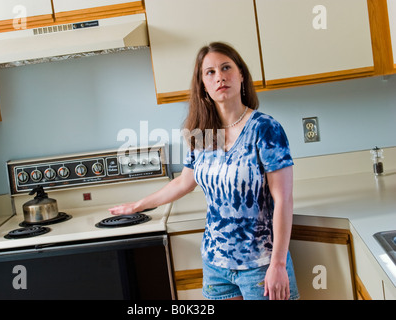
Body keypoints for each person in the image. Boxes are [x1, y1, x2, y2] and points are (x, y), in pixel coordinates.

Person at [109, 42, 299, 300]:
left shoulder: (265, 129)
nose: (219, 76)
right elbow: (184, 182)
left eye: (226, 68)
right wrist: (138, 205)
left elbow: (283, 199)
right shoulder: (202, 134)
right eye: (210, 72)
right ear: (203, 85)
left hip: (261, 264)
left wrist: (277, 264)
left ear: (241, 74)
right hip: (216, 266)